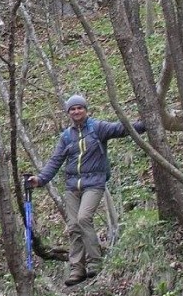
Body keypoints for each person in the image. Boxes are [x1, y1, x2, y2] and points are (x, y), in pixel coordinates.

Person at [28, 94, 145, 286]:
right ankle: (77, 269)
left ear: (86, 109)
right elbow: (55, 161)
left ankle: (95, 263)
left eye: (79, 108)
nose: (76, 111)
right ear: (68, 113)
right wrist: (40, 180)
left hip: (94, 184)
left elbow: (122, 128)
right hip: (72, 187)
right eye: (72, 109)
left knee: (83, 218)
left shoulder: (98, 128)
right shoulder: (66, 136)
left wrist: (146, 123)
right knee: (74, 226)